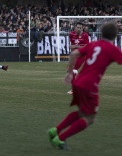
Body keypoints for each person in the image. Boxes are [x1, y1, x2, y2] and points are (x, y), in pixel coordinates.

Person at [48, 22, 122, 150]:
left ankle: (55, 130)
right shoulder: (112, 49)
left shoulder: (93, 44)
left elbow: (74, 54)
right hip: (89, 86)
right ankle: (60, 139)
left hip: (78, 82)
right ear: (115, 36)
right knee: (90, 118)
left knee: (82, 112)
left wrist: (69, 74)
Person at [67, 22, 89, 95]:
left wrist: (75, 47)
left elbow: (86, 46)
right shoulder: (71, 34)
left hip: (81, 55)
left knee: (73, 70)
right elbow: (72, 45)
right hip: (74, 55)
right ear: (75, 28)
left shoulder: (85, 35)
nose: (79, 29)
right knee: (69, 70)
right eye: (78, 27)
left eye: (80, 28)